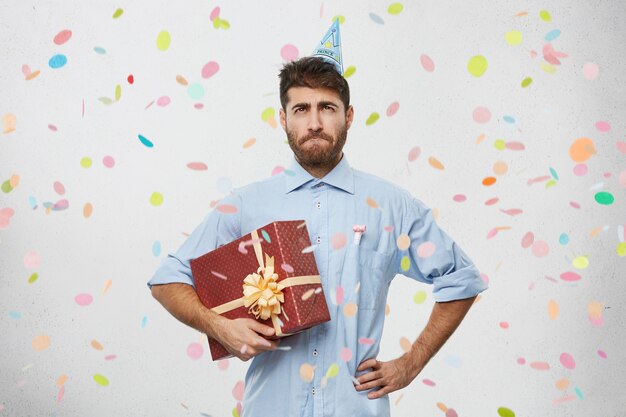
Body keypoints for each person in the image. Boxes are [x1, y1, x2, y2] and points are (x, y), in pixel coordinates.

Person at [149, 22, 487, 417]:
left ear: (349, 115)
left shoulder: (392, 206)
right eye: (301, 109)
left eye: (327, 108)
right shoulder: (247, 206)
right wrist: (219, 326)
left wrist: (411, 363)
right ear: (283, 119)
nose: (314, 122)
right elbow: (167, 279)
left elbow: (460, 278)